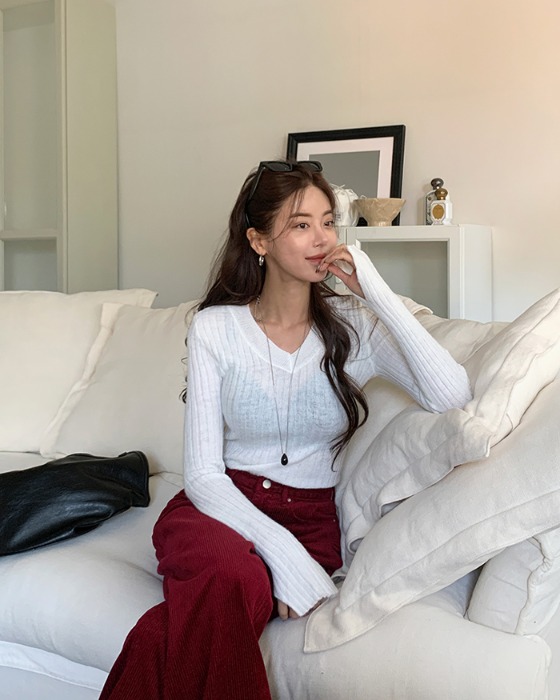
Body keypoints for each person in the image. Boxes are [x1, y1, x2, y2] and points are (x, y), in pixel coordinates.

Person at [100, 160, 472, 700]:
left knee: (178, 625)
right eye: (301, 225)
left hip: (311, 517)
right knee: (234, 578)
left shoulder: (354, 327)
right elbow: (203, 476)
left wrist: (375, 291)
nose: (322, 239)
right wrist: (284, 556)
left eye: (328, 222)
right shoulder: (215, 328)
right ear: (259, 241)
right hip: (218, 506)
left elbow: (452, 395)